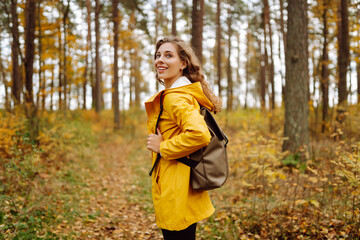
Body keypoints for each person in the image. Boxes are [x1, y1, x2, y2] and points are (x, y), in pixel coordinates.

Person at [145, 36, 221, 240]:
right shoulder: (181, 93)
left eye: (168, 55)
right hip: (182, 181)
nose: (160, 60)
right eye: (158, 55)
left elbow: (199, 134)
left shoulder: (175, 98)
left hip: (176, 186)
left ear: (183, 63)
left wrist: (163, 147)